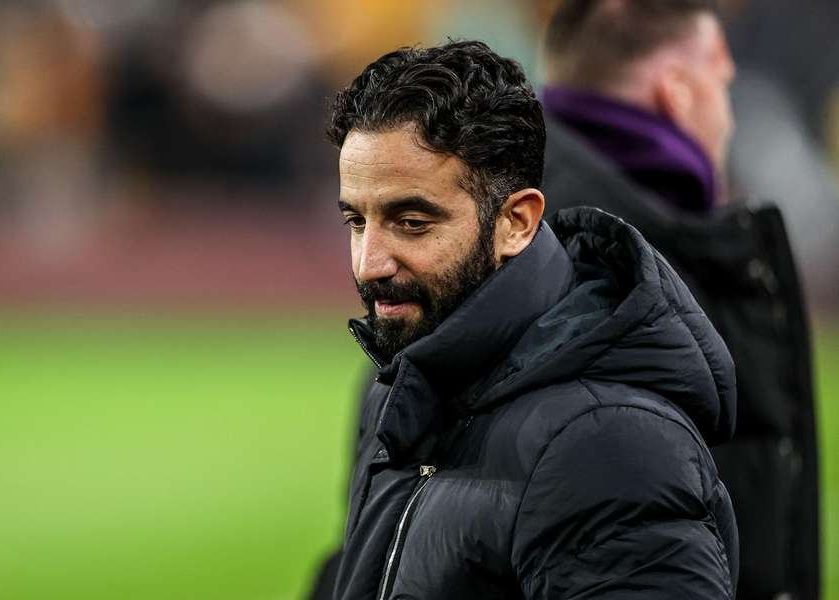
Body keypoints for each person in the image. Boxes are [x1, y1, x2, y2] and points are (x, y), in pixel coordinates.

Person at [324, 40, 738, 600]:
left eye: (412, 222)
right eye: (356, 220)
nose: (370, 263)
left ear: (517, 222)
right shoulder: (402, 393)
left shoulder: (611, 444)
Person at [539, 1, 819, 599]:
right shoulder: (648, 276)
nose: (732, 118)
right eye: (722, 79)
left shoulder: (494, 241)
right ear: (679, 94)